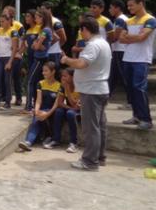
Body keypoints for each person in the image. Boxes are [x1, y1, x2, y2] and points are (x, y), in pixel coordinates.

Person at [61, 16, 112, 170]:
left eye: (80, 31)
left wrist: (66, 60)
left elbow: (82, 63)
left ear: (85, 29)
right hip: (100, 89)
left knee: (91, 128)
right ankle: (99, 157)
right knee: (100, 126)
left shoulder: (93, 45)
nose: (80, 34)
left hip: (92, 91)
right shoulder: (103, 43)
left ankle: (90, 161)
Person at [119, 0, 155, 130]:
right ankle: (136, 115)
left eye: (131, 5)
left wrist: (130, 37)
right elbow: (121, 39)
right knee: (130, 88)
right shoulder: (128, 21)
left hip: (142, 59)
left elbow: (142, 37)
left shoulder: (150, 20)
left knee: (139, 87)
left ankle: (146, 119)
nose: (129, 8)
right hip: (128, 57)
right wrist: (134, 37)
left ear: (141, 4)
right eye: (128, 5)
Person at [18, 62, 61, 151]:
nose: (43, 73)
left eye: (46, 71)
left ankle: (48, 137)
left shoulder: (59, 85)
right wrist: (37, 110)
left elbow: (57, 103)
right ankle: (28, 142)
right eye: (43, 71)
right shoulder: (40, 83)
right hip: (42, 109)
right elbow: (38, 100)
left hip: (52, 110)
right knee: (36, 119)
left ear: (53, 72)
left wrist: (47, 114)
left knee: (47, 117)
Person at [44, 68, 81, 153]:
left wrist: (67, 89)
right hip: (71, 109)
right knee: (58, 111)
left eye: (65, 76)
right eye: (62, 76)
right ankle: (56, 139)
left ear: (73, 77)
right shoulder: (63, 86)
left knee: (70, 114)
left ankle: (74, 143)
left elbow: (75, 105)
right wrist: (71, 108)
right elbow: (60, 103)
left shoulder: (80, 86)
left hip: (81, 111)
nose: (62, 78)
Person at [26, 8, 53, 111]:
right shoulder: (43, 29)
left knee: (30, 81)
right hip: (39, 57)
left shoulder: (45, 30)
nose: (35, 19)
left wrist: (38, 45)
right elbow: (35, 45)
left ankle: (29, 106)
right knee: (37, 82)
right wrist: (38, 45)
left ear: (43, 18)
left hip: (40, 58)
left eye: (37, 17)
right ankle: (35, 105)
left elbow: (36, 46)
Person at [0, 14, 19, 110]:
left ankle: (8, 102)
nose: (1, 23)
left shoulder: (13, 31)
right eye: (0, 21)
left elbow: (15, 48)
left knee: (7, 81)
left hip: (8, 58)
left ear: (8, 21)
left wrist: (10, 62)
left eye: (3, 21)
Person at [3, 6, 25, 106]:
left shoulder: (18, 25)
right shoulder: (3, 25)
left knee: (16, 78)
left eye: (5, 12)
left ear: (11, 14)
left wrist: (19, 53)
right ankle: (6, 97)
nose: (3, 13)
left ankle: (19, 98)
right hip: (5, 55)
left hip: (16, 56)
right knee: (6, 78)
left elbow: (24, 40)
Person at [108, 0, 129, 102]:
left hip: (119, 50)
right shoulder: (123, 18)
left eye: (111, 8)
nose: (109, 10)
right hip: (119, 50)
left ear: (117, 8)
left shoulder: (120, 19)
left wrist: (106, 42)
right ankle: (105, 97)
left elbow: (115, 37)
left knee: (122, 76)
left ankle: (132, 99)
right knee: (113, 76)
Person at [41, 2, 67, 68]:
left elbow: (63, 38)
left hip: (53, 52)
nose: (41, 12)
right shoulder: (41, 22)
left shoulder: (55, 22)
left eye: (43, 9)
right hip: (43, 52)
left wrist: (55, 46)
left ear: (49, 10)